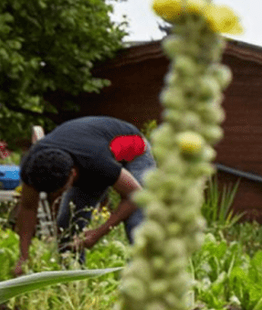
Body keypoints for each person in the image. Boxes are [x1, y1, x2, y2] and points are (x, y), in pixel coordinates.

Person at [13, 116, 156, 276]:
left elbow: (135, 195)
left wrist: (98, 233)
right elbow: (28, 207)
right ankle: (73, 281)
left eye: (61, 190)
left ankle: (143, 281)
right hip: (91, 156)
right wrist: (23, 257)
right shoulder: (33, 166)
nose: (58, 196)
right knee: (66, 228)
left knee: (137, 222)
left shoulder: (96, 160)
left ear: (73, 174)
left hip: (131, 147)